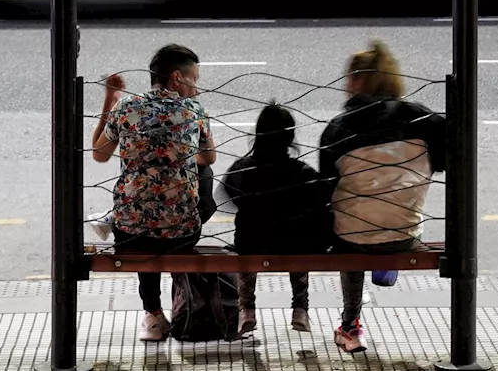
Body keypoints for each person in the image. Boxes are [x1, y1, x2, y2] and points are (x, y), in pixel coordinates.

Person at [319, 40, 445, 353]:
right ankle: (385, 265)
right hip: (404, 234)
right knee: (393, 210)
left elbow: (325, 187)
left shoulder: (338, 129)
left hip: (353, 238)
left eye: (350, 77)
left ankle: (350, 326)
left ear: (360, 81)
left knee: (352, 230)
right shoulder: (424, 121)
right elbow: (443, 164)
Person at [92, 43, 216, 342]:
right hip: (182, 233)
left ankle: (153, 315)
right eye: (194, 79)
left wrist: (110, 99)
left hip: (130, 232)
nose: (196, 86)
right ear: (177, 77)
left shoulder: (126, 108)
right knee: (202, 177)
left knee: (142, 223)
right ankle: (181, 301)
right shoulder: (194, 109)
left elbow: (99, 154)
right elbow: (209, 158)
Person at [221, 103, 332, 336]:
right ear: (290, 137)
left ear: (257, 135)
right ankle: (300, 308)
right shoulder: (302, 172)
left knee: (245, 244)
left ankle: (247, 310)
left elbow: (227, 194)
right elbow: (323, 196)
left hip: (252, 244)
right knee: (300, 237)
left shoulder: (242, 168)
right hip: (295, 246)